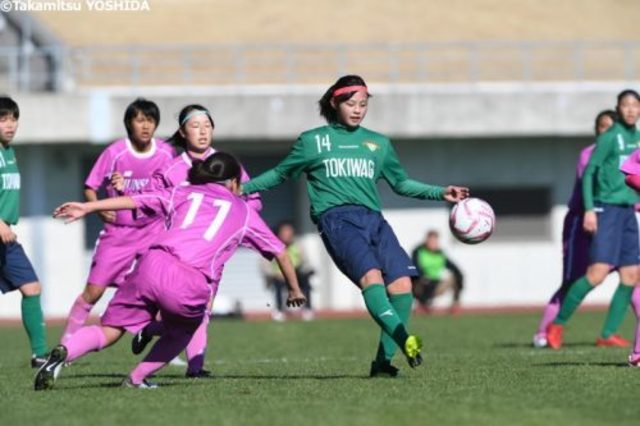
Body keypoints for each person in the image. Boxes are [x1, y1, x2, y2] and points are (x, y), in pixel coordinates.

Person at [242, 75, 469, 376]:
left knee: (402, 286)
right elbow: (280, 173)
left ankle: (382, 364)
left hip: (374, 220)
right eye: (351, 103)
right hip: (337, 221)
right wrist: (242, 189)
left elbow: (400, 183)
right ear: (335, 103)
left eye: (363, 104)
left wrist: (440, 192)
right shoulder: (313, 141)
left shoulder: (379, 144)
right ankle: (404, 339)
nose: (358, 109)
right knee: (372, 279)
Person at [35, 153, 306, 390]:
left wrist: (88, 206)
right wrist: (294, 289)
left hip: (151, 263)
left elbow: (135, 200)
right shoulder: (244, 211)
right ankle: (136, 379)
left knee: (110, 328)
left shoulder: (183, 192)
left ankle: (65, 352)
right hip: (189, 278)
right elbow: (280, 251)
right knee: (184, 329)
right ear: (234, 182)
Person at [130, 104, 261, 377]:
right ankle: (164, 348)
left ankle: (192, 365)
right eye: (195, 126)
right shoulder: (170, 171)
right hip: (176, 255)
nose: (202, 131)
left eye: (207, 125)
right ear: (182, 131)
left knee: (201, 311)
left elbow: (253, 201)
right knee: (189, 312)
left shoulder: (228, 165)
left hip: (211, 253)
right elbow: (146, 203)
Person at [60, 98, 174, 346]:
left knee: (157, 292)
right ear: (129, 124)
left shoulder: (166, 153)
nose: (146, 126)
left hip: (153, 232)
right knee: (94, 292)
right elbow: (90, 187)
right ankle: (66, 344)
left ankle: (154, 338)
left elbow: (173, 192)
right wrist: (100, 211)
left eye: (151, 121)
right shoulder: (115, 152)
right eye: (140, 120)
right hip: (119, 234)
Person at [547, 90, 640, 349]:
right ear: (618, 109)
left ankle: (608, 333)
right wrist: (590, 208)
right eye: (626, 105)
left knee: (632, 275)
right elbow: (589, 174)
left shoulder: (639, 139)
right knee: (597, 274)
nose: (631, 110)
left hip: (628, 212)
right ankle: (557, 325)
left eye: (635, 105)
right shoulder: (611, 137)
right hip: (607, 210)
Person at [532, 110, 618, 348]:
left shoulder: (624, 156)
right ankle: (545, 331)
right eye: (603, 127)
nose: (608, 133)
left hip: (614, 222)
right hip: (582, 224)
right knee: (573, 280)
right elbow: (598, 184)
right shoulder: (587, 155)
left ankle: (609, 333)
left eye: (613, 129)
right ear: (596, 130)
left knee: (633, 275)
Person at [0, 96, 48, 367]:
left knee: (31, 287)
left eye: (13, 118)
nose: (10, 125)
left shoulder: (8, 151)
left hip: (6, 238)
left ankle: (39, 354)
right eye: (3, 119)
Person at [261, 221, 314, 321]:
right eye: (285, 232)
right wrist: (275, 274)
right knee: (278, 284)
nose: (287, 234)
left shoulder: (298, 245)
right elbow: (265, 265)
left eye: (289, 232)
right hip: (278, 276)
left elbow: (306, 262)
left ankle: (307, 309)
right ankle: (279, 310)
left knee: (306, 280)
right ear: (279, 233)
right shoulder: (272, 245)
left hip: (297, 273)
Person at [411, 230, 464, 314]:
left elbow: (454, 268)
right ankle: (422, 305)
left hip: (436, 284)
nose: (433, 243)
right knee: (418, 280)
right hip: (421, 284)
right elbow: (415, 267)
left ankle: (455, 305)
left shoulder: (441, 254)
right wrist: (423, 276)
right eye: (431, 240)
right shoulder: (418, 251)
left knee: (457, 276)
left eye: (435, 240)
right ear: (426, 240)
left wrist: (459, 274)